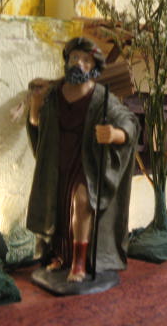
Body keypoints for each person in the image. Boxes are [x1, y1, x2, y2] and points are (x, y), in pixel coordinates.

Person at [26, 37, 139, 282]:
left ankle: (79, 262)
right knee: (59, 208)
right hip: (58, 160)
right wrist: (35, 102)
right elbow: (37, 123)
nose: (79, 63)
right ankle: (60, 255)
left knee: (82, 202)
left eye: (86, 60)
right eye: (75, 57)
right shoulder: (53, 93)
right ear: (67, 61)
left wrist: (114, 134)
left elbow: (128, 122)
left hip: (86, 162)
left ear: (94, 67)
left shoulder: (101, 97)